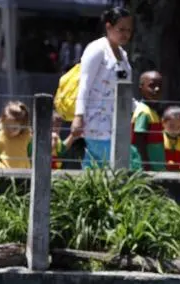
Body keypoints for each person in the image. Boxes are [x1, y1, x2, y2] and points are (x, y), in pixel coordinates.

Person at [71, 7, 133, 168]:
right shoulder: (96, 49)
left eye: (129, 30)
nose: (125, 34)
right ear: (108, 27)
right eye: (121, 29)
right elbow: (84, 83)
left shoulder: (123, 54)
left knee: (101, 167)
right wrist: (79, 116)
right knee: (106, 166)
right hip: (96, 123)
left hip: (117, 124)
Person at [131, 71, 164, 171]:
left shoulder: (151, 111)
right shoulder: (144, 112)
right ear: (141, 88)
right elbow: (139, 139)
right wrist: (146, 164)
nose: (157, 89)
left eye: (160, 86)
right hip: (145, 168)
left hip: (154, 166)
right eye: (152, 86)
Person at [0, 101, 32, 169]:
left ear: (22, 126)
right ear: (2, 121)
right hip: (4, 175)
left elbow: (32, 155)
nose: (10, 131)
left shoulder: (27, 137)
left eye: (14, 128)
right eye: (6, 126)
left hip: (24, 174)